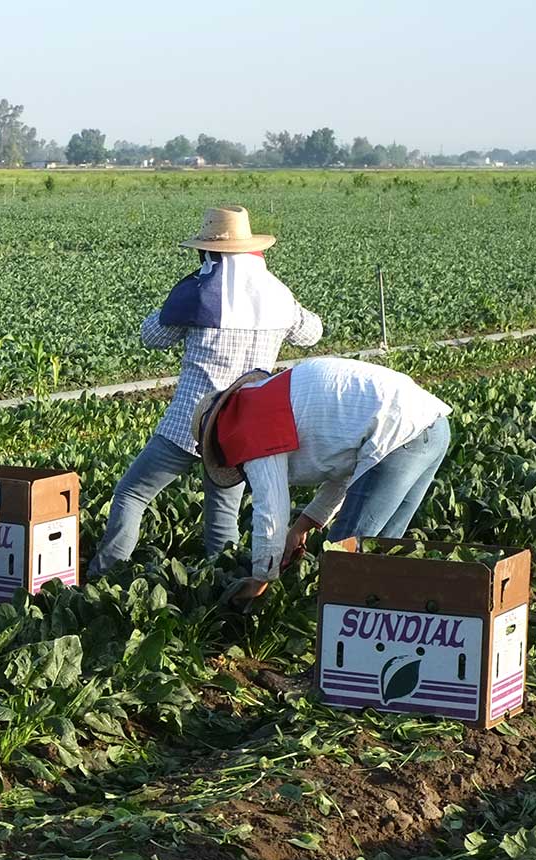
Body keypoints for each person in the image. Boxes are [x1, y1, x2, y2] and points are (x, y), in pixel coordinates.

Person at [89, 205, 323, 574]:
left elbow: (151, 336)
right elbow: (312, 334)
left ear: (210, 252)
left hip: (188, 422)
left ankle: (103, 574)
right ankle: (221, 588)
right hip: (239, 429)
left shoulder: (198, 295)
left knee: (133, 494)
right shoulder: (278, 295)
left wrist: (182, 299)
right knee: (222, 518)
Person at [192, 357, 453, 607]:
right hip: (433, 427)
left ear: (219, 442)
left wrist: (259, 582)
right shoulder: (266, 402)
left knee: (342, 562)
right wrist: (300, 528)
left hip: (399, 436)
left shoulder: (247, 427)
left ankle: (336, 644)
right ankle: (375, 630)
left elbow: (271, 510)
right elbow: (345, 471)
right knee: (382, 550)